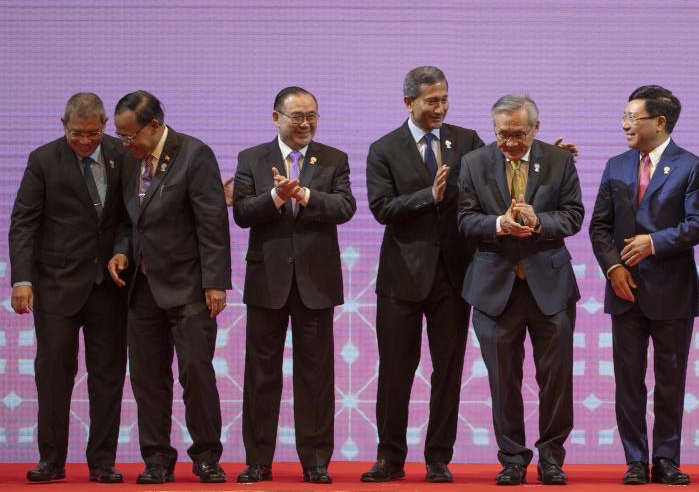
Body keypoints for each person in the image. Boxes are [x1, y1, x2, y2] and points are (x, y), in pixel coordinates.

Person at [363, 66, 484, 483]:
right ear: (408, 102)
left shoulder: (466, 141)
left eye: (445, 99)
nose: (440, 107)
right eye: (432, 101)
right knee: (396, 369)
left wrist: (546, 158)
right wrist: (426, 196)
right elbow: (381, 209)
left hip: (453, 275)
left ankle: (437, 458)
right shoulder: (383, 148)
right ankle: (389, 457)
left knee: (447, 370)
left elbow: (495, 178)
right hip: (401, 278)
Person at [106, 90, 231, 485]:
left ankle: (207, 456)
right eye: (122, 137)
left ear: (155, 125)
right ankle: (157, 458)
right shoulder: (130, 161)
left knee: (196, 373)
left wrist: (215, 282)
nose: (126, 144)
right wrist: (122, 251)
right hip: (141, 289)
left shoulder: (194, 155)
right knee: (147, 378)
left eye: (130, 136)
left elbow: (211, 223)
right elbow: (128, 221)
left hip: (189, 288)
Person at [232, 86, 356, 484]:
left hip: (315, 282)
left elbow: (345, 207)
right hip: (267, 280)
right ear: (276, 118)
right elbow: (242, 213)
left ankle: (316, 461)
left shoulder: (334, 158)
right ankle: (257, 460)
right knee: (260, 375)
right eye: (297, 116)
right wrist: (274, 195)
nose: (305, 123)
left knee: (316, 377)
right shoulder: (251, 158)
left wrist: (303, 193)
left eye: (312, 116)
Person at [458, 93, 583, 486]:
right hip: (495, 288)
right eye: (502, 134)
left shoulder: (560, 161)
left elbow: (574, 216)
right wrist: (498, 224)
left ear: (536, 128)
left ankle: (551, 458)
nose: (509, 142)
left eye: (518, 134)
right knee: (503, 380)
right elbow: (464, 220)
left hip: (550, 287)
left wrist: (539, 220)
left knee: (556, 379)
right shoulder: (474, 163)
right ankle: (512, 458)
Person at [588, 85, 699, 485]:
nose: (624, 124)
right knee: (629, 380)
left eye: (631, 117)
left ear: (659, 122)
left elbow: (698, 224)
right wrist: (611, 269)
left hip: (673, 292)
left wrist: (654, 243)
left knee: (671, 381)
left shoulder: (691, 166)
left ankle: (667, 458)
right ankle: (636, 460)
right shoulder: (616, 165)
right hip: (624, 290)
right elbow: (600, 226)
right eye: (623, 117)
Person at [8, 93, 128, 484]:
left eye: (93, 134)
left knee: (107, 377)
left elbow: (131, 217)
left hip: (109, 286)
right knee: (54, 375)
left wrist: (123, 252)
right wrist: (22, 279)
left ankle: (102, 462)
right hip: (56, 287)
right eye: (77, 134)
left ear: (105, 124)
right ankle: (52, 460)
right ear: (63, 124)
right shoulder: (43, 160)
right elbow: (24, 222)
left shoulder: (121, 153)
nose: (85, 141)